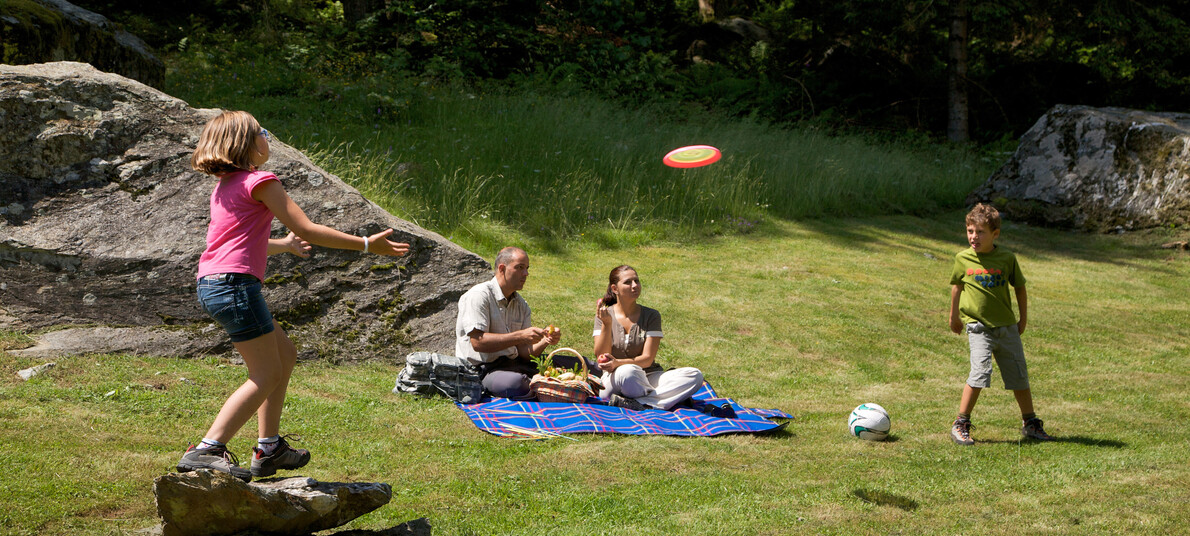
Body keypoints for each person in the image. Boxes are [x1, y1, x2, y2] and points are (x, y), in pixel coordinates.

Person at [178, 110, 410, 481]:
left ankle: (269, 448)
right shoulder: (260, 181)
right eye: (263, 132)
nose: (267, 137)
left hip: (214, 282)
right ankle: (208, 448)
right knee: (266, 372)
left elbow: (234, 244)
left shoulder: (226, 187)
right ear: (249, 143)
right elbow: (308, 228)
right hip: (235, 286)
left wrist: (282, 246)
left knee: (284, 354)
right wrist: (366, 244)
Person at [948, 203, 1054, 445]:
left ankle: (1031, 423)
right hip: (978, 327)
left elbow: (1020, 288)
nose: (974, 237)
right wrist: (954, 316)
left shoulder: (1007, 258)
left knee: (1019, 375)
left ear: (995, 234)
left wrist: (1022, 319)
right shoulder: (962, 258)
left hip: (1006, 327)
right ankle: (961, 423)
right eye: (970, 231)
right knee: (979, 373)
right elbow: (957, 287)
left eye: (980, 232)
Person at [593, 265, 704, 411]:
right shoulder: (604, 315)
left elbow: (647, 359)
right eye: (628, 282)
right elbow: (601, 354)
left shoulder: (651, 315)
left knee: (694, 375)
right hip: (615, 377)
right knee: (628, 372)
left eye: (636, 281)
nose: (635, 286)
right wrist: (607, 324)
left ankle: (641, 403)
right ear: (615, 289)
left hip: (648, 374)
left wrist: (617, 362)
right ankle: (660, 398)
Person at [455, 247, 561, 399]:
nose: (526, 274)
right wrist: (520, 336)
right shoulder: (479, 296)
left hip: (514, 364)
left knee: (572, 363)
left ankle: (546, 386)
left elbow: (524, 353)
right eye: (520, 268)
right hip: (483, 370)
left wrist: (545, 341)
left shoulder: (521, 304)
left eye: (527, 269)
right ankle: (546, 387)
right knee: (516, 384)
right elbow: (478, 342)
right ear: (502, 268)